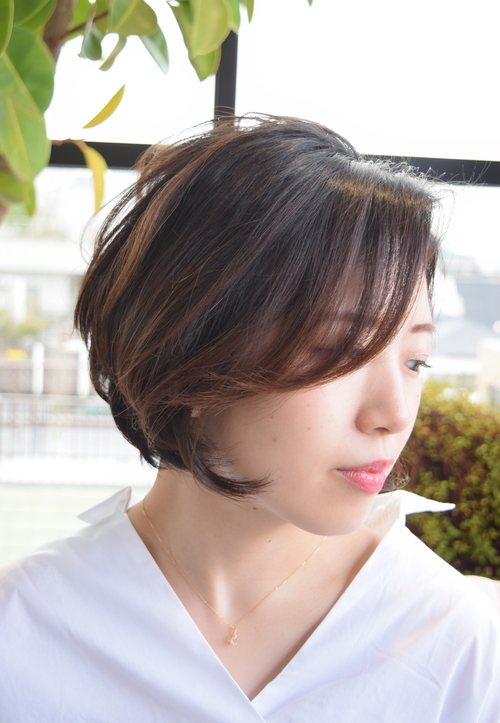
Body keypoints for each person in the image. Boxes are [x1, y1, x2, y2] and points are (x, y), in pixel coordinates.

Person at [0, 115, 499, 722]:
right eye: (341, 352)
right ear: (190, 347)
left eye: (416, 360)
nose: (394, 416)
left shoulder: (452, 641)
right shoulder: (24, 630)